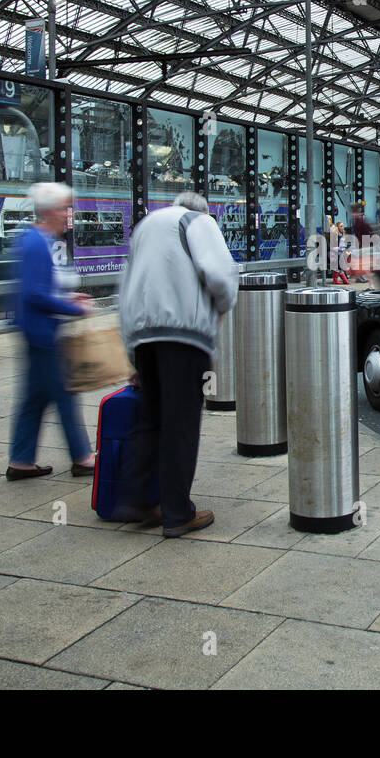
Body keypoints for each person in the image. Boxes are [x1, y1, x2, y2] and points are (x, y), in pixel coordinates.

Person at [119, 191, 237, 537]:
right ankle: (177, 513)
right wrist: (220, 308)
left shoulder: (144, 227)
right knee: (180, 424)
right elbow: (219, 276)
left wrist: (131, 349)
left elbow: (123, 289)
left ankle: (140, 500)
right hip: (184, 337)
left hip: (144, 337)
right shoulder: (198, 221)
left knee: (151, 418)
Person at [8, 182, 94, 480]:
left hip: (38, 331)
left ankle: (20, 461)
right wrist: (74, 308)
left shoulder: (38, 239)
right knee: (65, 393)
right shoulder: (35, 242)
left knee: (34, 398)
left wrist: (68, 298)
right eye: (63, 208)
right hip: (44, 333)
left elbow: (39, 289)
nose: (68, 214)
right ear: (49, 211)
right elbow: (34, 293)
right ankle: (82, 457)